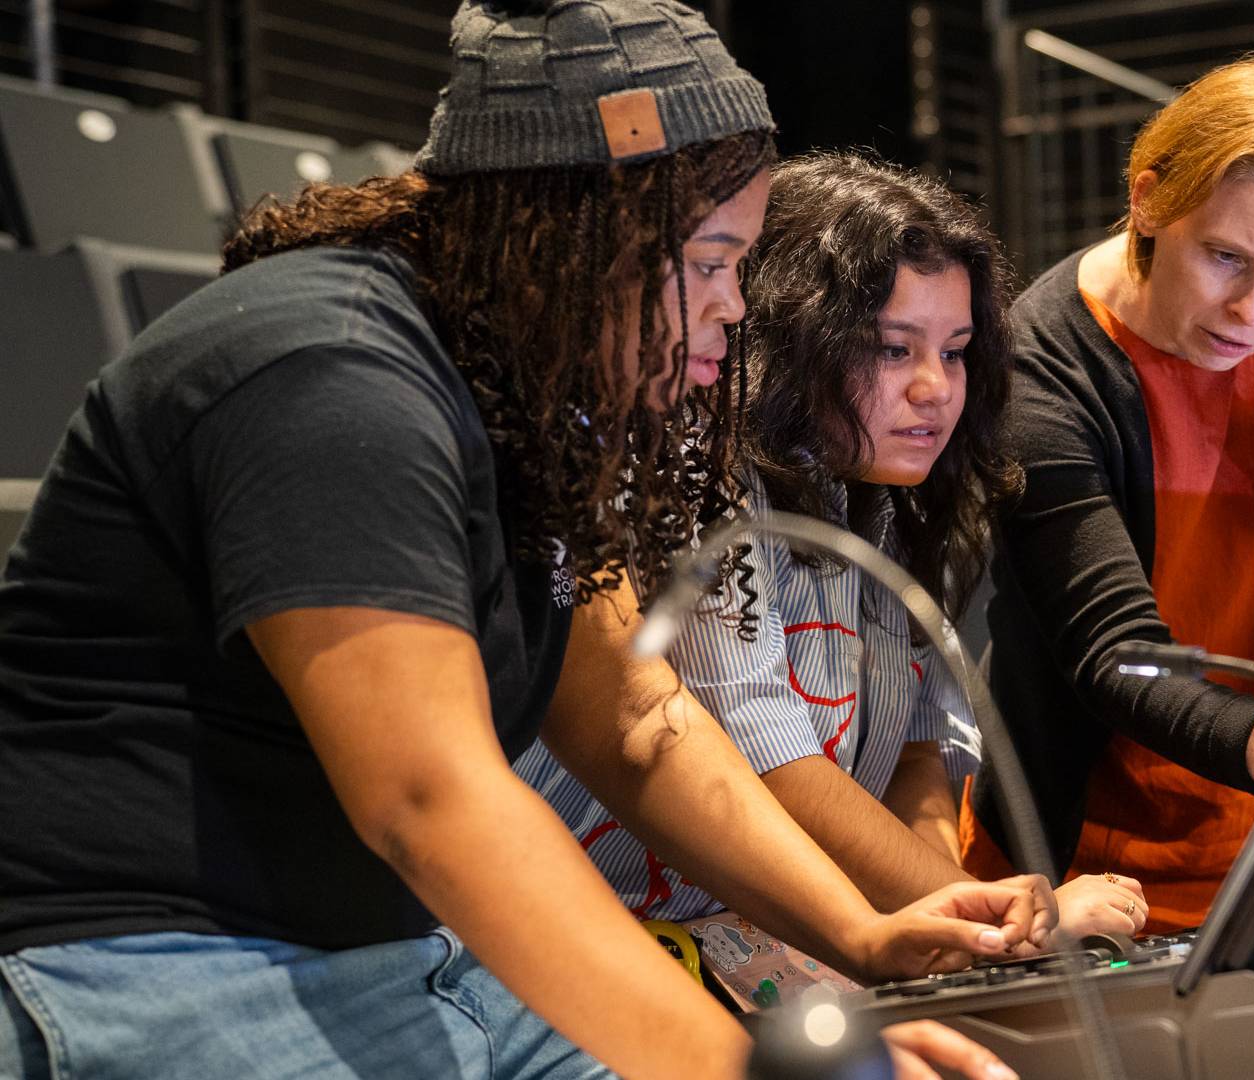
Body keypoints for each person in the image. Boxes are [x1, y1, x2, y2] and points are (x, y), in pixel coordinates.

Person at [0, 4, 1036, 1078]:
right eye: (714, 259)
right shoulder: (332, 371)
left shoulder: (522, 397)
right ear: (573, 233)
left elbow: (631, 716)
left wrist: (859, 937)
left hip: (405, 953)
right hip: (162, 958)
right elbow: (428, 798)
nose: (736, 308)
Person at [516, 152, 1149, 944]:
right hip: (563, 934)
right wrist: (1009, 921)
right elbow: (768, 754)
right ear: (794, 336)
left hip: (736, 941)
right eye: (893, 349)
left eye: (954, 351)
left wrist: (951, 923)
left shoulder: (901, 496)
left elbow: (915, 753)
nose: (936, 388)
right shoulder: (702, 467)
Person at [958, 54, 1254, 935]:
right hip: (1106, 860)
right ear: (1148, 201)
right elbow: (1113, 659)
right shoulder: (1040, 366)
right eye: (1225, 257)